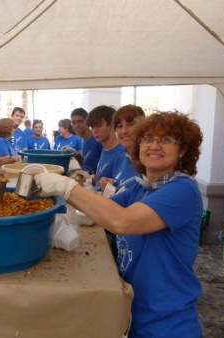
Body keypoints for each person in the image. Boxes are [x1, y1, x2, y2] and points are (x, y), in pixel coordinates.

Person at [35, 111, 204, 338]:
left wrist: (65, 186)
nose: (154, 146)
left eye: (165, 140)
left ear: (182, 149)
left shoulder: (182, 190)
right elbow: (99, 212)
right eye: (148, 139)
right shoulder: (140, 186)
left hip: (166, 321)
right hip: (132, 310)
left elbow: (122, 221)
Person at [98, 104, 145, 193]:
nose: (124, 131)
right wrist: (109, 185)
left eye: (131, 124)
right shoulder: (121, 158)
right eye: (119, 126)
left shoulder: (148, 162)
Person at [86, 105, 125, 191]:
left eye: (98, 126)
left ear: (111, 126)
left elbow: (123, 190)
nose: (94, 131)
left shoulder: (122, 153)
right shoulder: (105, 149)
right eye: (92, 127)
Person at [70, 107, 103, 175]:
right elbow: (86, 162)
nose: (76, 125)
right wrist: (76, 154)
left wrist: (93, 178)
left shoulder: (97, 139)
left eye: (80, 121)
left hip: (97, 183)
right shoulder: (82, 140)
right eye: (73, 122)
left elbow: (106, 166)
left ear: (87, 122)